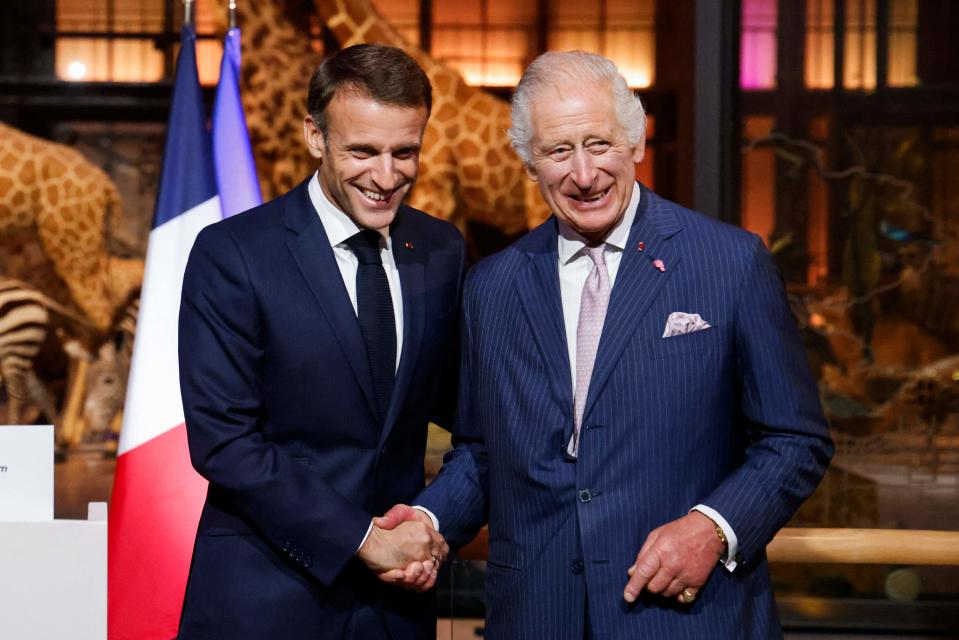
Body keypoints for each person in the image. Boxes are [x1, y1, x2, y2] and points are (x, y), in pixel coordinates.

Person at [386, 51, 833, 638]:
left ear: (636, 140)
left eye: (599, 144)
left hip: (688, 619)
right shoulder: (492, 286)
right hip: (536, 617)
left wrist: (713, 526)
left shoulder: (730, 263)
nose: (584, 174)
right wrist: (426, 518)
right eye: (557, 151)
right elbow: (482, 453)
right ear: (528, 162)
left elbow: (795, 439)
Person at [177, 44, 461, 639]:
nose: (387, 177)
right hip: (266, 601)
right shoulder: (233, 254)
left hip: (396, 609)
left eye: (404, 152)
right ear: (315, 136)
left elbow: (470, 417)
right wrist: (361, 539)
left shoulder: (441, 250)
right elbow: (225, 442)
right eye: (363, 151)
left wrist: (431, 525)